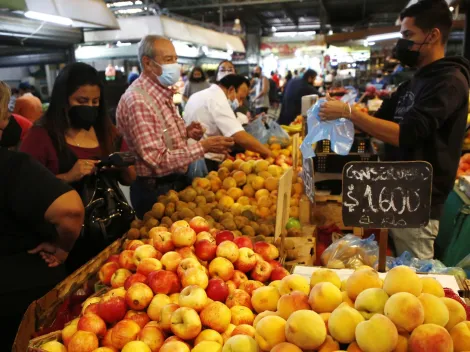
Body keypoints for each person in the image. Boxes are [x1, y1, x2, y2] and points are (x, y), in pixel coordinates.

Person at [319, 0, 470, 259]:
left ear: (433, 35)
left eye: (408, 35)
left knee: (413, 282)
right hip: (391, 192)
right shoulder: (414, 81)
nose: (402, 43)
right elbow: (379, 120)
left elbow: (406, 133)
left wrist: (348, 112)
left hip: (417, 201)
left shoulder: (449, 82)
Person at [20, 62, 136, 271]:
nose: (90, 107)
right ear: (63, 100)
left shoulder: (106, 131)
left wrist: (121, 164)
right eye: (82, 100)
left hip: (113, 239)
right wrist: (68, 176)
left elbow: (130, 179)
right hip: (64, 246)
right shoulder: (41, 136)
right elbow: (25, 192)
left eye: (95, 101)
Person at [0, 81, 85, 349]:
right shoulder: (12, 166)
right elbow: (70, 210)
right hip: (18, 297)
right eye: (4, 115)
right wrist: (62, 249)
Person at [116, 35, 234, 219]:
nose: (175, 66)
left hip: (173, 185)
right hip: (155, 193)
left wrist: (185, 133)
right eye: (168, 60)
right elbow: (156, 159)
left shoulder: (162, 93)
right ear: (147, 63)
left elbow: (158, 137)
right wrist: (203, 147)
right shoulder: (138, 101)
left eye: (176, 59)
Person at [184, 74, 271, 171]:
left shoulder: (199, 95)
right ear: (231, 90)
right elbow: (239, 136)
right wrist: (268, 153)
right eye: (241, 98)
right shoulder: (218, 99)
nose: (241, 103)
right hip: (205, 161)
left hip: (192, 156)